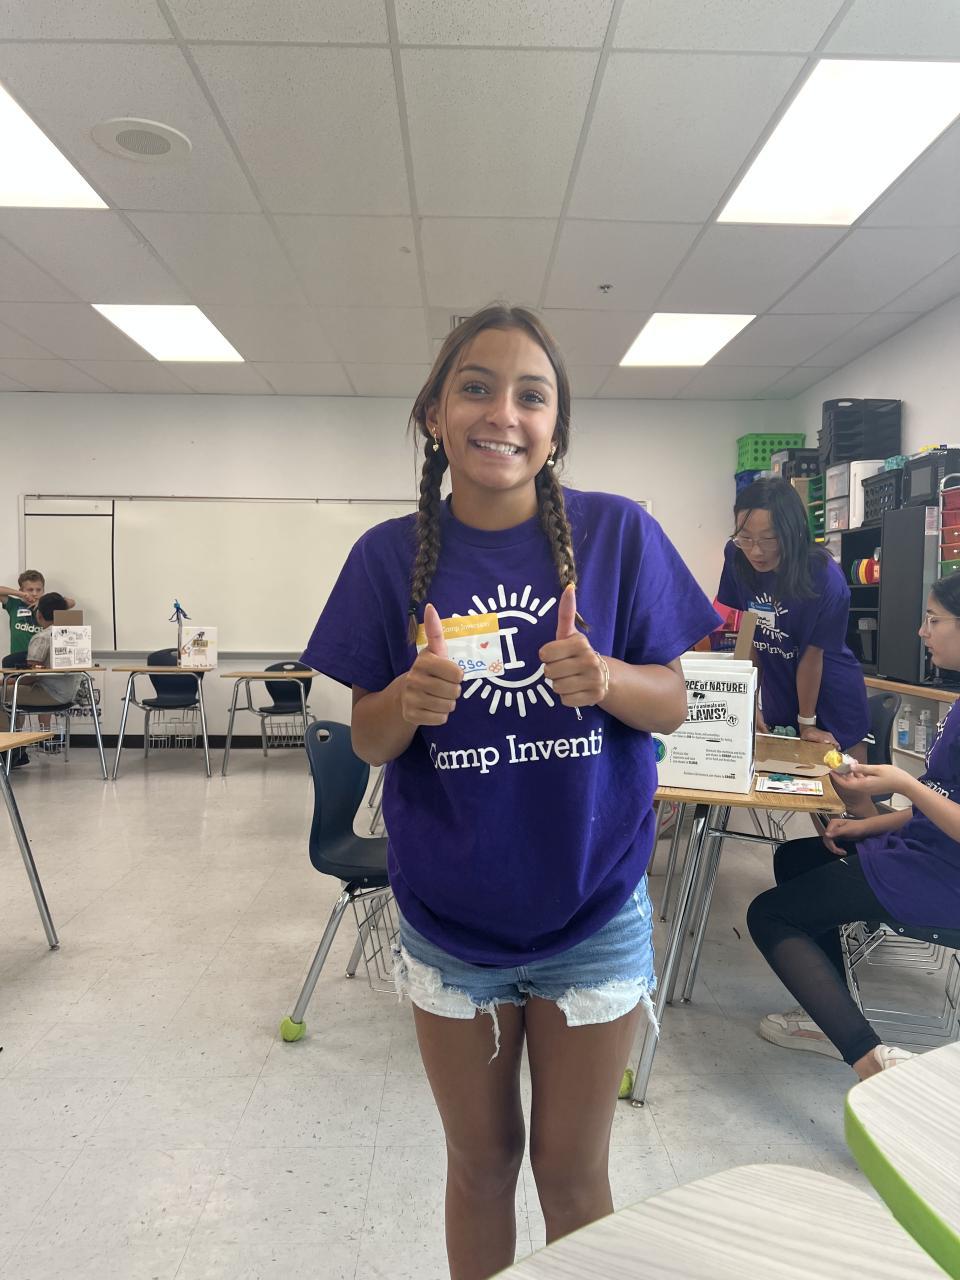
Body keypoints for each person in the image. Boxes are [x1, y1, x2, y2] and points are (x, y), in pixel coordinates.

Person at [302, 305, 719, 1280]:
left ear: (555, 426)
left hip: (592, 909)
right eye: (476, 387)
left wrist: (606, 678)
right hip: (451, 920)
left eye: (532, 395)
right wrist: (407, 700)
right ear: (434, 415)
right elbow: (367, 735)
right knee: (481, 1165)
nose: (503, 412)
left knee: (572, 1174)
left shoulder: (619, 534)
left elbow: (672, 702)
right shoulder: (386, 557)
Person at [747, 570, 960, 1079]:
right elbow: (944, 802)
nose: (922, 632)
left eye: (933, 620)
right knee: (796, 858)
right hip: (927, 853)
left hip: (944, 878)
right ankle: (829, 1012)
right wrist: (866, 822)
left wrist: (903, 784)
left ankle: (870, 1058)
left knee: (769, 915)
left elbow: (935, 803)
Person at [717, 477, 869, 755]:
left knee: (844, 782)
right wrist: (745, 700)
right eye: (746, 538)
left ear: (794, 533)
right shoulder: (737, 557)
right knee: (777, 776)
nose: (756, 551)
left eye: (769, 539)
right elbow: (750, 632)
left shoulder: (824, 578)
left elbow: (812, 657)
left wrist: (807, 723)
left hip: (830, 696)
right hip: (781, 694)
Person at [1, 592, 81, 766]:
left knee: (1, 694)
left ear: (38, 615)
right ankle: (16, 750)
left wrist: (5, 682)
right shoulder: (75, 634)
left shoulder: (41, 637)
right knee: (7, 693)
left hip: (49, 693)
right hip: (70, 693)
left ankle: (9, 752)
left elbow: (31, 677)